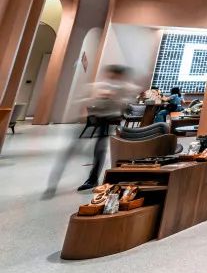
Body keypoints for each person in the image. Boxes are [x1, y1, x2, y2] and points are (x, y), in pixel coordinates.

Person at [44, 65, 140, 197]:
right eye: (111, 75)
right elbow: (83, 100)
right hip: (93, 119)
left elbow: (128, 101)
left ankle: (93, 179)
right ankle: (53, 183)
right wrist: (95, 99)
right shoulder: (97, 86)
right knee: (71, 150)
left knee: (99, 150)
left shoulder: (124, 88)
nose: (113, 78)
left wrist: (116, 98)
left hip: (108, 121)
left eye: (116, 76)